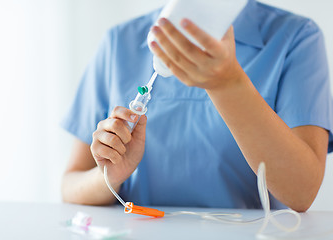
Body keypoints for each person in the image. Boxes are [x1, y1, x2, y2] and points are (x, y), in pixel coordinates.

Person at [61, 0, 333, 212]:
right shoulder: (120, 42)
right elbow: (70, 187)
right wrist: (110, 177)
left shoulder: (295, 39)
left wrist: (228, 84)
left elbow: (301, 192)